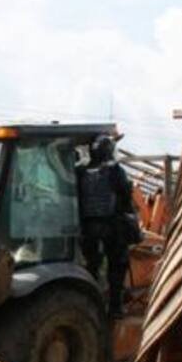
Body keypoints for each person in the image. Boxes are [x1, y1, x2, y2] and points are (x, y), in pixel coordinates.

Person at [77, 134, 135, 319]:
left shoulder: (80, 171)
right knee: (117, 266)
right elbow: (126, 195)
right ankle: (115, 307)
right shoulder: (115, 171)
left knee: (91, 267)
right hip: (112, 226)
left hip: (88, 228)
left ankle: (89, 306)